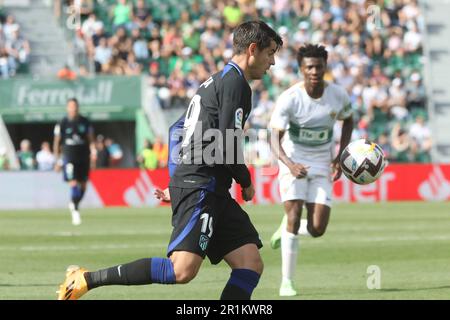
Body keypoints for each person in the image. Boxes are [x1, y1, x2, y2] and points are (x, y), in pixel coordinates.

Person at [56, 20, 282, 300]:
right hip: (202, 186)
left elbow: (177, 130)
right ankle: (87, 279)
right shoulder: (236, 84)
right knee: (182, 270)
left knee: (250, 262)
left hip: (207, 187)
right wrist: (245, 181)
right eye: (270, 53)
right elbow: (226, 143)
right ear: (252, 49)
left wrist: (176, 180)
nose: (272, 62)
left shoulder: (215, 80)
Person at [268, 44, 353, 296]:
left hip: (321, 163)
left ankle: (285, 230)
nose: (314, 71)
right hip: (293, 160)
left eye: (319, 66)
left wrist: (340, 156)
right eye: (309, 67)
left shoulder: (338, 95)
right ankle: (287, 282)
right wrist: (289, 164)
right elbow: (274, 137)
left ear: (325, 67)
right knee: (294, 214)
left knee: (318, 229)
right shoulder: (290, 98)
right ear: (301, 70)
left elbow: (348, 120)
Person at [53, 98, 95, 226]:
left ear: (78, 107)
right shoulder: (62, 123)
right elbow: (57, 142)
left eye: (75, 106)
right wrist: (58, 160)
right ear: (67, 108)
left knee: (83, 185)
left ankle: (74, 202)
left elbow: (91, 139)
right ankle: (75, 211)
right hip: (69, 157)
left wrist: (93, 152)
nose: (73, 108)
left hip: (83, 156)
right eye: (71, 106)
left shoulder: (85, 122)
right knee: (73, 182)